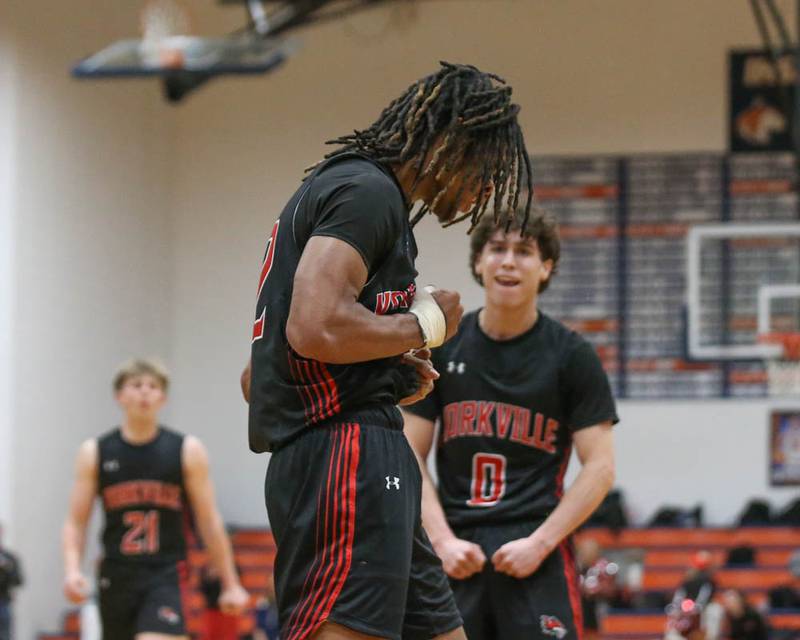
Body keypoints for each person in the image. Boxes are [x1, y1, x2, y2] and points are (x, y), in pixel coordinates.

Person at [243, 61, 534, 640]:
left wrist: (384, 366)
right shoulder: (367, 192)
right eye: (485, 171)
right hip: (343, 458)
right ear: (449, 143)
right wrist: (422, 325)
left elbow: (261, 374)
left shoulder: (366, 198)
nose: (483, 190)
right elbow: (315, 326)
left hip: (362, 450)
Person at [402, 207, 618, 640]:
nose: (508, 261)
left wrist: (541, 542)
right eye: (497, 249)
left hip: (535, 542)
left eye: (524, 251)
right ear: (479, 262)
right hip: (455, 541)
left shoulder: (571, 355)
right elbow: (408, 452)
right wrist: (441, 540)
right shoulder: (445, 345)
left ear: (546, 267)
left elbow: (600, 467)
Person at [62, 359, 250, 640]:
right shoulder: (96, 452)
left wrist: (230, 582)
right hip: (116, 574)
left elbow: (209, 520)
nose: (145, 392)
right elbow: (76, 522)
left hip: (165, 572)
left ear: (163, 398)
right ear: (119, 396)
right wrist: (72, 570)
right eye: (136, 385)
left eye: (153, 386)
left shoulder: (187, 450)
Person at [0, 523, 23, 640]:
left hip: (3, 602)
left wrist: (6, 569)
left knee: (5, 635)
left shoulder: (9, 558)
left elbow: (19, 581)